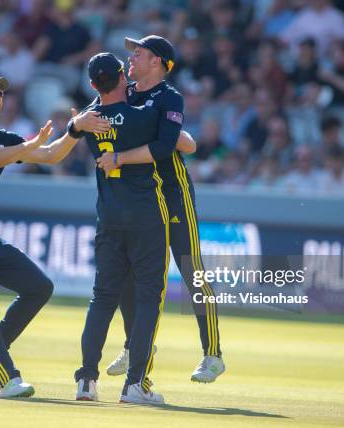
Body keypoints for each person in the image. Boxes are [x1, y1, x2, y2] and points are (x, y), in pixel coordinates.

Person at [0, 73, 108, 399]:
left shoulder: (0, 136)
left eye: (0, 95)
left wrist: (75, 130)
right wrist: (27, 146)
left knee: (39, 287)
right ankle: (7, 378)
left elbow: (51, 154)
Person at [97, 35, 225, 383]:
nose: (131, 60)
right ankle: (135, 347)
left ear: (158, 62)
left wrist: (131, 150)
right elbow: (183, 140)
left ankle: (212, 353)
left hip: (172, 192)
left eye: (138, 54)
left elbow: (176, 145)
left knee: (191, 270)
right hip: (141, 197)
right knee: (130, 276)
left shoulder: (170, 96)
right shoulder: (129, 94)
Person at [72, 52, 195, 405]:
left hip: (108, 216)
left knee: (102, 298)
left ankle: (86, 380)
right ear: (122, 79)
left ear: (94, 85)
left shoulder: (89, 120)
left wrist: (77, 122)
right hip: (146, 215)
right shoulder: (140, 116)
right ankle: (135, 385)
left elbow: (83, 123)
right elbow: (171, 141)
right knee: (147, 300)